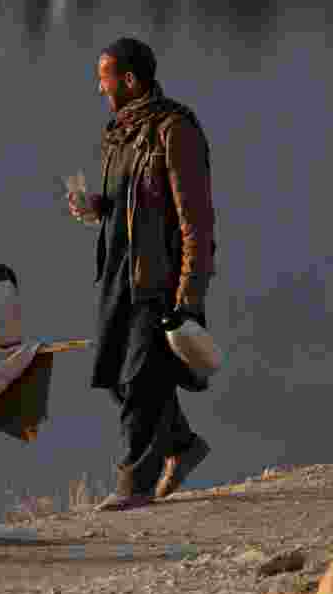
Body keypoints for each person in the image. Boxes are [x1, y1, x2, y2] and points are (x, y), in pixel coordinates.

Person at [67, 37, 216, 511]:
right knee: (114, 373)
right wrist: (97, 209)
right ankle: (183, 444)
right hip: (116, 275)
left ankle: (132, 485)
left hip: (158, 279)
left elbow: (196, 220)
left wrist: (189, 292)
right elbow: (127, 204)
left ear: (129, 81)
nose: (99, 88)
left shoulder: (176, 130)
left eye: (104, 78)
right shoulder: (121, 132)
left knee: (140, 379)